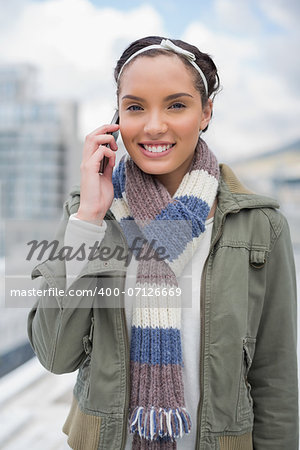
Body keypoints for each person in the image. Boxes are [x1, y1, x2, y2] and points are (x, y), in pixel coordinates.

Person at [27, 36, 298, 450]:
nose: (154, 126)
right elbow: (55, 353)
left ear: (206, 112)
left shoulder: (260, 225)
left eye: (176, 105)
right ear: (117, 115)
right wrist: (88, 221)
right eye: (135, 107)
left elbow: (275, 377)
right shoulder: (92, 217)